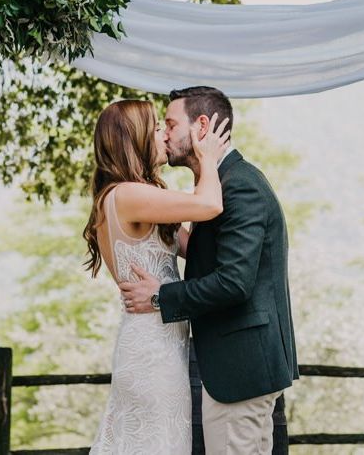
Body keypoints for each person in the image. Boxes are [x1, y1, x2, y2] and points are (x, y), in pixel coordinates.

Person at [120, 86, 298, 455]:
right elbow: (211, 255)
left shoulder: (240, 187)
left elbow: (234, 282)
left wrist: (159, 296)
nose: (164, 133)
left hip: (240, 368)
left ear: (202, 126)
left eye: (170, 124)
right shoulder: (220, 185)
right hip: (242, 366)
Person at [84, 99, 230, 454]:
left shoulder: (135, 196)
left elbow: (193, 248)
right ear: (134, 140)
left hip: (158, 345)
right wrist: (207, 158)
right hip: (152, 352)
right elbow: (210, 204)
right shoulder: (128, 195)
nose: (165, 135)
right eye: (156, 129)